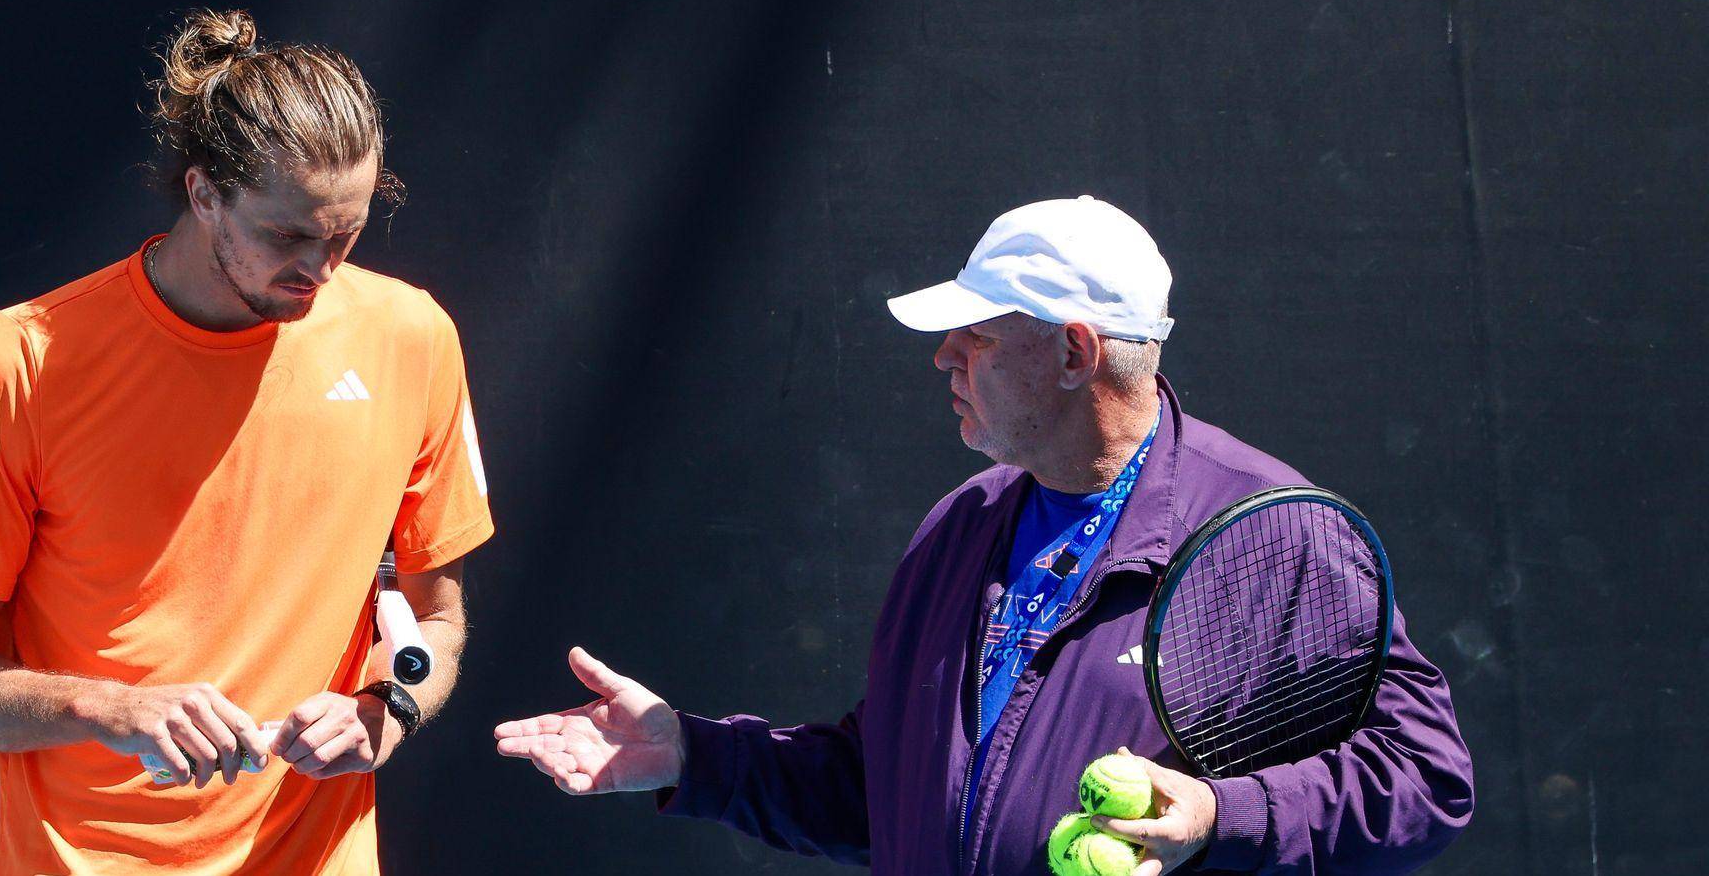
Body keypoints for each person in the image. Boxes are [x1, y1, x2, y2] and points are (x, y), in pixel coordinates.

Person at [494, 196, 1473, 875]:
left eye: (976, 336)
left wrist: (1222, 815)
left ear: (1072, 351)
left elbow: (1423, 781)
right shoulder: (959, 526)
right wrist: (693, 755)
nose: (942, 356)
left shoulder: (1275, 539)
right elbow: (888, 794)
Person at [0, 9, 492, 875]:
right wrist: (109, 709)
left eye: (347, 234)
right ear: (205, 193)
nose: (321, 271)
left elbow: (436, 620)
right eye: (287, 236)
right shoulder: (16, 364)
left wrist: (385, 710)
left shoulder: (415, 338)